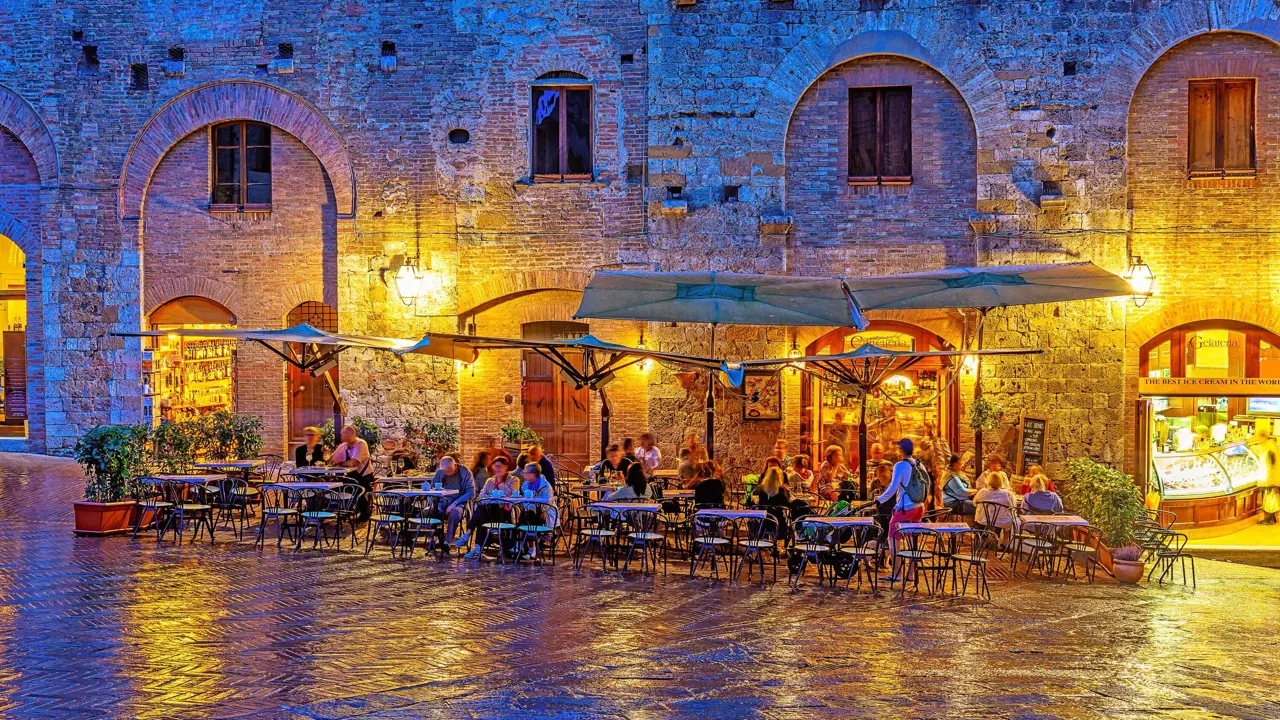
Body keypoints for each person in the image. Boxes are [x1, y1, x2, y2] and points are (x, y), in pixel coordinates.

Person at [876, 438, 928, 579]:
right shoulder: (920, 464)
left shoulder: (900, 465)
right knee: (911, 539)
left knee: (893, 538)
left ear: (900, 450)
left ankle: (896, 573)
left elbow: (893, 487)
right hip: (919, 507)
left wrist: (880, 500)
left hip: (905, 508)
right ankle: (910, 574)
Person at [462, 456, 520, 559]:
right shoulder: (490, 481)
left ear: (506, 467)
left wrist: (501, 482)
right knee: (482, 515)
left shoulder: (514, 480)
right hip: (489, 513)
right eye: (495, 466)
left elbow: (511, 494)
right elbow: (481, 496)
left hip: (506, 512)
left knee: (481, 512)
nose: (497, 469)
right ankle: (477, 548)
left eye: (499, 466)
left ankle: (470, 537)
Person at [331, 425, 374, 519]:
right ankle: (343, 510)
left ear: (353, 434)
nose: (343, 436)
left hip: (364, 476)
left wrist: (341, 463)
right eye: (342, 434)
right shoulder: (344, 445)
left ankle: (365, 513)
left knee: (355, 487)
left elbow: (352, 463)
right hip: (351, 475)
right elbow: (333, 460)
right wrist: (327, 454)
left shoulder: (361, 444)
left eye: (345, 434)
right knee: (334, 484)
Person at [517, 462, 557, 561]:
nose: (524, 474)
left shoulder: (545, 486)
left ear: (533, 473)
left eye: (526, 472)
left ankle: (523, 546)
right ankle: (526, 548)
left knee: (528, 516)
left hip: (545, 514)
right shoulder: (526, 485)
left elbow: (546, 505)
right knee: (526, 515)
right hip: (531, 513)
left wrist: (530, 506)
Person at [433, 455, 475, 549]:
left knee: (455, 513)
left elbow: (471, 492)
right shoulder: (440, 472)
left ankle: (447, 542)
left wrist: (455, 503)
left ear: (455, 466)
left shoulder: (465, 472)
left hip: (459, 502)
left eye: (449, 472)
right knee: (430, 511)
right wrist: (435, 502)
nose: (447, 474)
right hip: (441, 501)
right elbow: (432, 490)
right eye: (445, 472)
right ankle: (436, 539)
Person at [747, 466, 791, 531]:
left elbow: (749, 501)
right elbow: (787, 504)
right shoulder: (782, 490)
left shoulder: (759, 489)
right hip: (778, 522)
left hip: (762, 521)